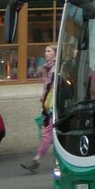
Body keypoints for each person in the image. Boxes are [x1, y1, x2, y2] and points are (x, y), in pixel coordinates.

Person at [22, 45, 55, 173]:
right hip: (48, 104)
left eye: (49, 51)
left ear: (55, 54)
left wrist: (47, 103)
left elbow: (51, 88)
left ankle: (37, 160)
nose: (46, 53)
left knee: (48, 132)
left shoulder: (55, 68)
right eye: (45, 51)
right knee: (51, 133)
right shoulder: (47, 68)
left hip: (53, 105)